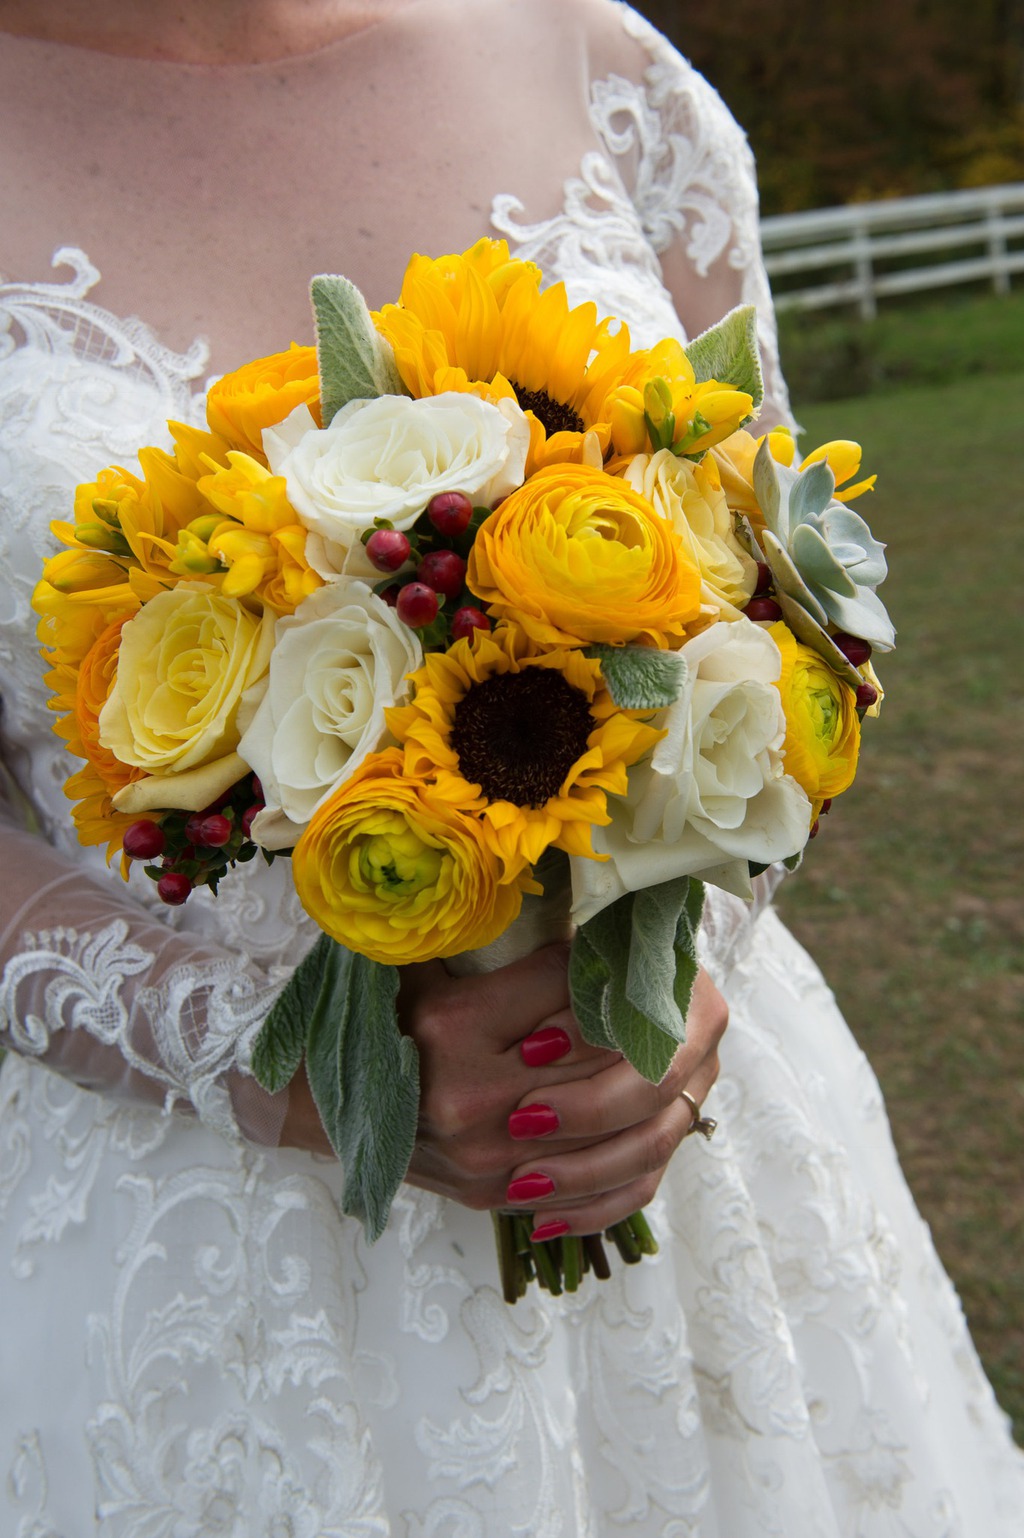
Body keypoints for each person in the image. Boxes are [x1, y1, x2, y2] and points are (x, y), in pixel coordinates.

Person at [0, 1, 1020, 1533]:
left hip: (684, 1131)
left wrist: (680, 959)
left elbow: (797, 617)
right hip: (200, 1244)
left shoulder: (593, 59)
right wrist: (284, 1069)